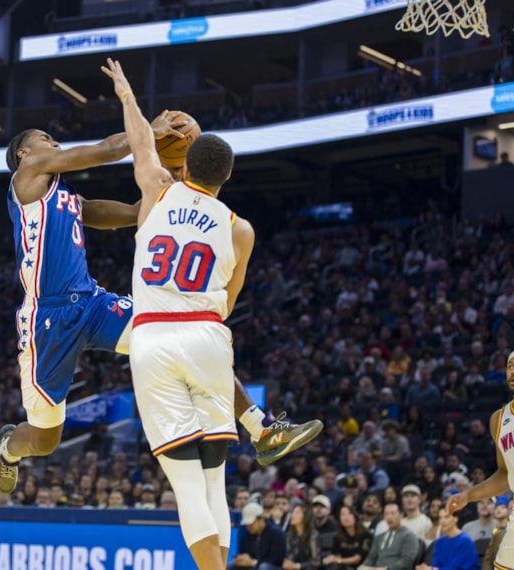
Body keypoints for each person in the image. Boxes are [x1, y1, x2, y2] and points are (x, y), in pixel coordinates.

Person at [0, 67, 321, 494]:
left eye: (53, 140)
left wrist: (145, 208)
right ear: (24, 152)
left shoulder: (63, 194)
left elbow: (102, 214)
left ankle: (262, 429)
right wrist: (149, 131)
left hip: (91, 303)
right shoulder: (29, 172)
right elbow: (105, 150)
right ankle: (8, 449)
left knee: (187, 335)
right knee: (45, 439)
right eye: (44, 138)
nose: (53, 143)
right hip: (47, 318)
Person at [99, 57, 320, 570]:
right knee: (214, 480)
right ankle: (261, 429)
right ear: (227, 176)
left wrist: (128, 95)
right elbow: (229, 299)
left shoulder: (157, 189)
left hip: (153, 339)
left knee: (185, 484)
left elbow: (141, 142)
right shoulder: (241, 229)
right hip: (206, 336)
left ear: (185, 164)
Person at [447, 351, 514, 570]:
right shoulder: (499, 419)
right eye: (510, 366)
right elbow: (505, 474)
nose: (513, 371)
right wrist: (468, 495)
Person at [358, 502, 420, 570]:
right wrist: (364, 566)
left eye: (393, 513)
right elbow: (371, 557)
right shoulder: (379, 537)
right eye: (386, 514)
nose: (389, 517)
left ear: (401, 515)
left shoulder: (409, 536)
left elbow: (407, 561)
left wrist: (387, 568)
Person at [230, 503, 287, 570]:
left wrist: (253, 562)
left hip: (272, 566)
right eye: (247, 525)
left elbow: (276, 560)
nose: (249, 527)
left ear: (261, 519)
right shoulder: (250, 533)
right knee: (232, 566)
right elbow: (250, 554)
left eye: (251, 524)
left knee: (264, 567)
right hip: (256, 565)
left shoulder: (276, 534)